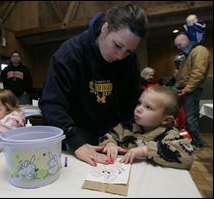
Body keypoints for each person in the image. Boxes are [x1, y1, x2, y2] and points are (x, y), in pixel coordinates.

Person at [39, 4, 148, 166]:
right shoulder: (69, 54)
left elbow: (131, 102)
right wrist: (74, 140)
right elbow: (51, 104)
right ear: (104, 29)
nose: (120, 56)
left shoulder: (129, 60)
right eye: (117, 45)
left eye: (128, 51)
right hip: (76, 136)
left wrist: (119, 135)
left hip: (115, 137)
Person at [99, 86, 194, 170]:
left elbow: (188, 157)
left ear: (166, 120)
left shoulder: (170, 135)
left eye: (148, 107)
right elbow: (107, 135)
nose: (139, 109)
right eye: (139, 103)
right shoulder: (126, 127)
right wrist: (110, 144)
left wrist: (146, 150)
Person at [174, 32, 210, 149]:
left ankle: (197, 143)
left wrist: (187, 89)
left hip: (191, 90)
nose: (178, 48)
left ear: (186, 40)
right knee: (184, 117)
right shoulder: (188, 53)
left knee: (190, 117)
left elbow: (198, 73)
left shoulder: (199, 50)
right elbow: (183, 75)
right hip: (185, 89)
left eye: (179, 45)